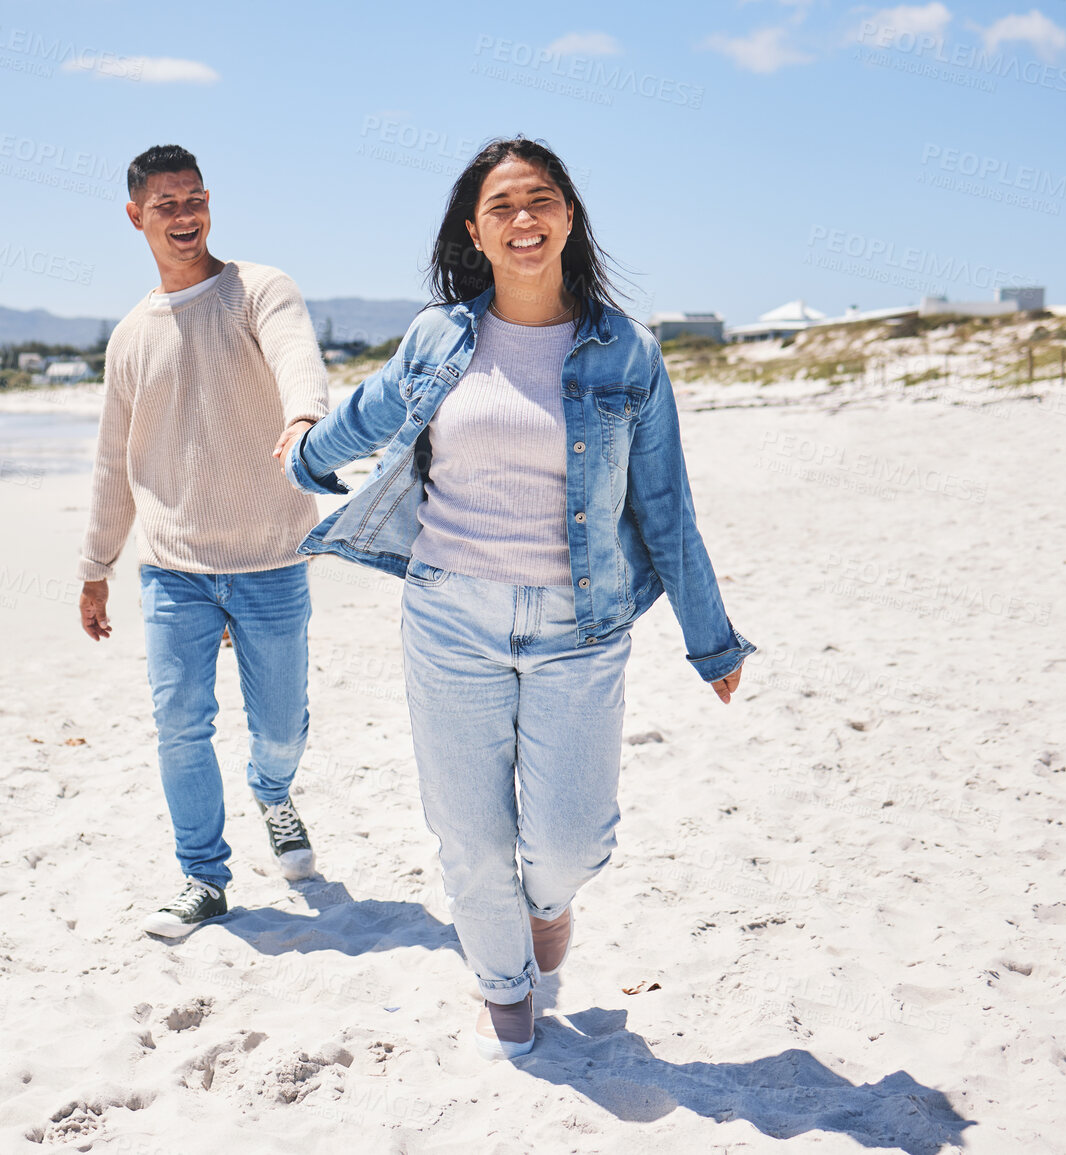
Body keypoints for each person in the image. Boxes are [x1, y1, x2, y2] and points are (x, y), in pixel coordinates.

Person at [280, 138, 754, 1060]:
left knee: (570, 840)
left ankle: (547, 907)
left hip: (579, 627)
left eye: (539, 200)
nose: (522, 219)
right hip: (447, 617)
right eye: (501, 207)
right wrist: (302, 454)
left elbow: (665, 505)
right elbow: (369, 413)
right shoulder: (439, 335)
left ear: (569, 216)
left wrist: (713, 643)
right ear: (475, 230)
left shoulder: (627, 354)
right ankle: (504, 984)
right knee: (467, 834)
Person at [79, 144, 328, 938]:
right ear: (135, 216)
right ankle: (202, 877)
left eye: (194, 200)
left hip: (270, 556)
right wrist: (95, 566)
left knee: (281, 727)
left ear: (210, 203)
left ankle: (272, 789)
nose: (183, 217)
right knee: (180, 725)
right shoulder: (129, 337)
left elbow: (298, 357)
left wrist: (303, 417)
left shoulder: (258, 290)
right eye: (165, 205)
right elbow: (113, 463)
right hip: (175, 570)